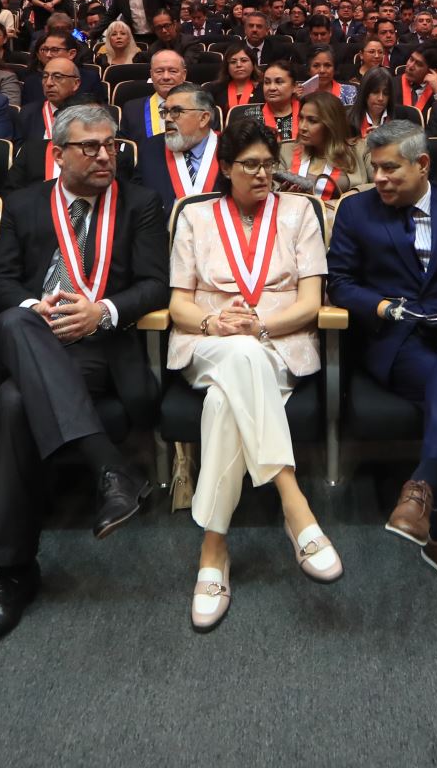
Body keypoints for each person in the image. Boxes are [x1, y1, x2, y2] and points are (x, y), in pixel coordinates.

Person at [0, 105, 169, 656]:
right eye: (89, 148)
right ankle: (110, 468)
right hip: (32, 333)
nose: (105, 156)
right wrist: (35, 307)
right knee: (16, 320)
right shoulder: (25, 204)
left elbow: (154, 286)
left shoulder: (140, 204)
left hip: (95, 348)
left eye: (111, 145)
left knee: (13, 403)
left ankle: (13, 573)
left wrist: (102, 311)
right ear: (58, 154)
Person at [166, 117, 338, 630]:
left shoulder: (300, 212)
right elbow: (177, 304)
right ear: (225, 168)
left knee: (225, 401)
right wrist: (214, 319)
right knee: (237, 354)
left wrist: (259, 322)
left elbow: (310, 303)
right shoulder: (196, 218)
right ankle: (294, 502)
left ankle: (214, 549)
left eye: (270, 164)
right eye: (251, 165)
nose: (264, 174)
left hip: (277, 345)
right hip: (208, 342)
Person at [326, 122, 437, 598]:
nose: (379, 178)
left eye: (390, 168)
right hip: (396, 338)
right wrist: (384, 306)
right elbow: (340, 282)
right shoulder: (356, 211)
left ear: (422, 164)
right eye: (374, 168)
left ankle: (421, 487)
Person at [138, 83, 223, 201]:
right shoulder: (151, 148)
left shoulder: (230, 147)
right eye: (165, 111)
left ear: (203, 118)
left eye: (176, 111)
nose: (167, 118)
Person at [276, 90, 361, 200]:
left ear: (331, 125)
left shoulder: (359, 150)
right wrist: (281, 194)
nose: (302, 127)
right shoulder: (285, 151)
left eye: (312, 121)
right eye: (301, 118)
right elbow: (271, 192)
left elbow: (381, 182)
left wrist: (356, 192)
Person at [120, 46, 188, 143]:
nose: (166, 77)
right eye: (159, 71)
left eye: (173, 71)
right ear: (151, 75)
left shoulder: (201, 107)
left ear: (184, 75)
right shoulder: (132, 109)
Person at [349, 67, 421, 137]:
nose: (381, 98)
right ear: (365, 93)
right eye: (375, 92)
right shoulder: (348, 119)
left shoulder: (405, 116)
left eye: (386, 93)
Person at [216, 42, 261, 111]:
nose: (238, 65)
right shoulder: (215, 90)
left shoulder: (263, 89)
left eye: (244, 60)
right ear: (227, 67)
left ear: (253, 64)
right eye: (233, 62)